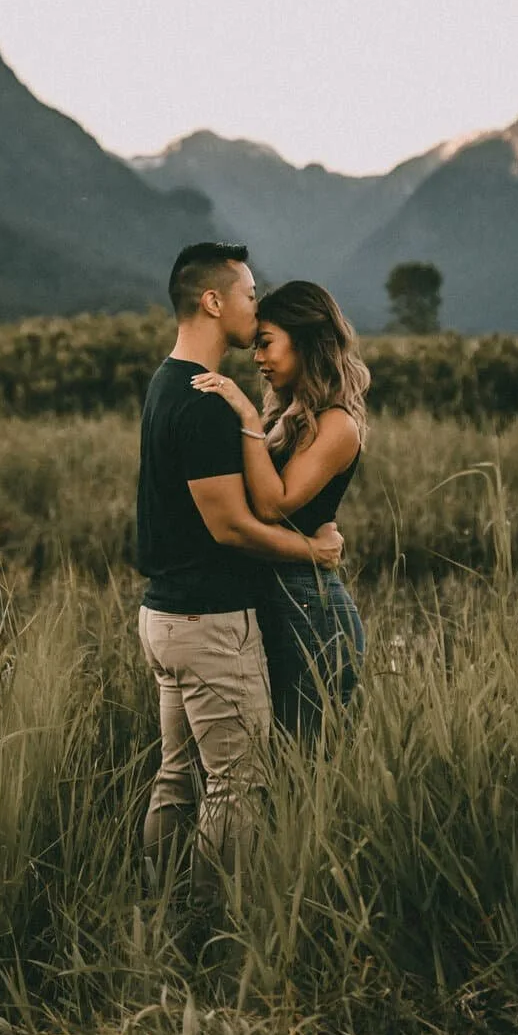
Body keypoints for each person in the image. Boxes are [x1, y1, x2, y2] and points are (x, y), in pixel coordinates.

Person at [136, 242, 343, 877]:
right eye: (250, 296)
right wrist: (314, 551)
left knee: (177, 776)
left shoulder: (166, 382)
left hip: (165, 615)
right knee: (237, 783)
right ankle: (215, 923)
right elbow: (230, 527)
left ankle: (159, 905)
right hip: (210, 622)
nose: (256, 308)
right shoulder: (205, 401)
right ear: (212, 301)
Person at [191, 279, 368, 737]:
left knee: (306, 753)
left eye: (266, 343)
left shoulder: (336, 424)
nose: (257, 358)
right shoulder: (288, 417)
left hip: (310, 604)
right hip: (276, 596)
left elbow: (272, 505)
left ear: (306, 342)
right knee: (278, 747)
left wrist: (247, 418)